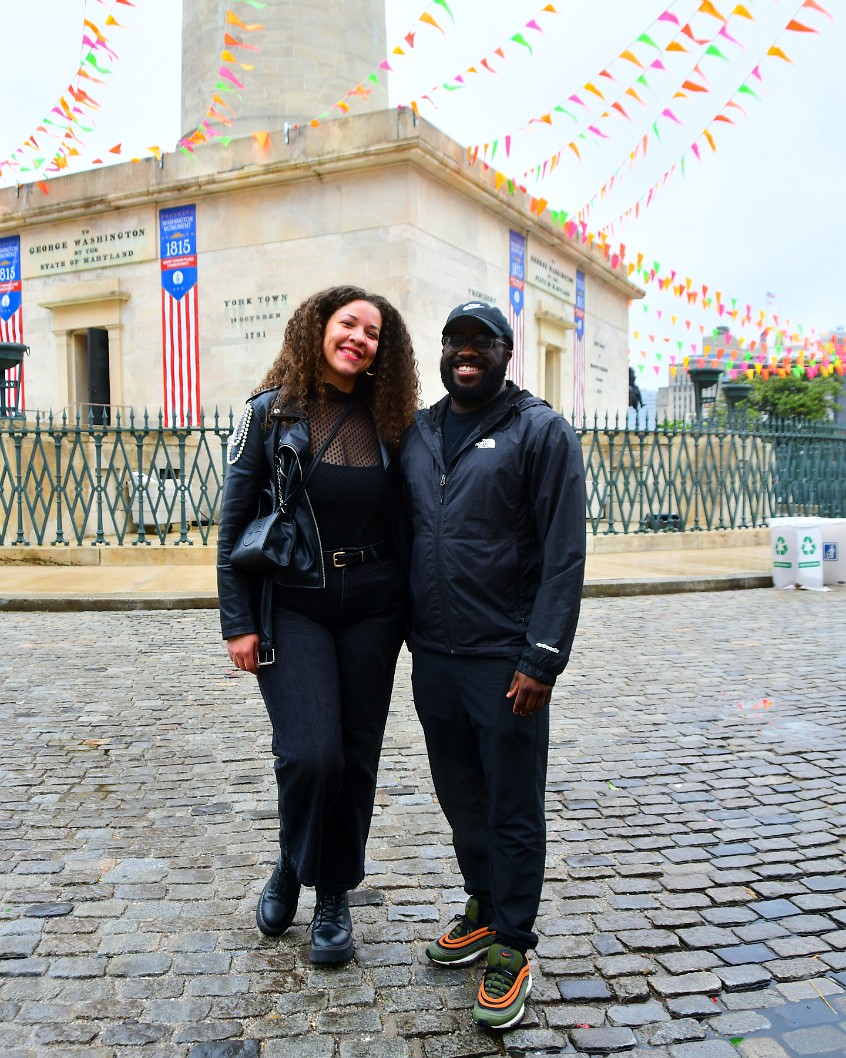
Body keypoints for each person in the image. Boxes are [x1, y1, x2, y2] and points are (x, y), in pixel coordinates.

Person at [217, 285, 418, 965]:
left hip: (374, 607)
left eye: (374, 333)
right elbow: (233, 522)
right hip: (295, 602)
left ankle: (332, 892)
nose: (360, 338)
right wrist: (237, 621)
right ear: (319, 328)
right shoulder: (268, 414)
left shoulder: (394, 422)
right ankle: (289, 862)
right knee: (311, 755)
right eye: (349, 324)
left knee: (355, 761)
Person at [399, 301, 586, 1029]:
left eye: (482, 343)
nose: (466, 354)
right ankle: (481, 901)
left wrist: (542, 657)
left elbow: (563, 555)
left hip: (506, 659)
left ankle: (513, 938)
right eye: (455, 343)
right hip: (435, 657)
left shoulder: (540, 432)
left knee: (511, 804)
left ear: (508, 354)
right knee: (460, 796)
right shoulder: (418, 432)